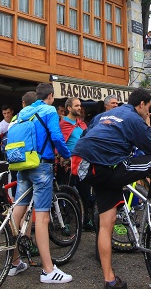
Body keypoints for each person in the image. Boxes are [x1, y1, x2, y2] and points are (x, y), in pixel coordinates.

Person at [73, 88, 151, 289]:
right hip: (110, 166)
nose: (148, 111)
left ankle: (110, 280)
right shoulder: (134, 118)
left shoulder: (102, 115)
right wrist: (146, 125)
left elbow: (87, 135)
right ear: (142, 104)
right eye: (148, 107)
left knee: (105, 225)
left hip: (88, 168)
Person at [9, 83, 73, 283]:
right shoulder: (49, 110)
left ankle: (13, 262)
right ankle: (48, 270)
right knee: (43, 217)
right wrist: (66, 155)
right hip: (42, 166)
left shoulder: (24, 111)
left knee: (17, 212)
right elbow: (56, 136)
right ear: (51, 96)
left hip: (22, 164)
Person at [59, 97, 93, 229]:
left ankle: (86, 220)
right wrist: (62, 157)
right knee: (68, 193)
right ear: (69, 108)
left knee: (85, 192)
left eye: (80, 105)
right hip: (68, 164)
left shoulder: (81, 124)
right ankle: (66, 223)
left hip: (83, 162)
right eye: (77, 105)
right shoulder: (63, 124)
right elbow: (59, 142)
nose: (79, 107)